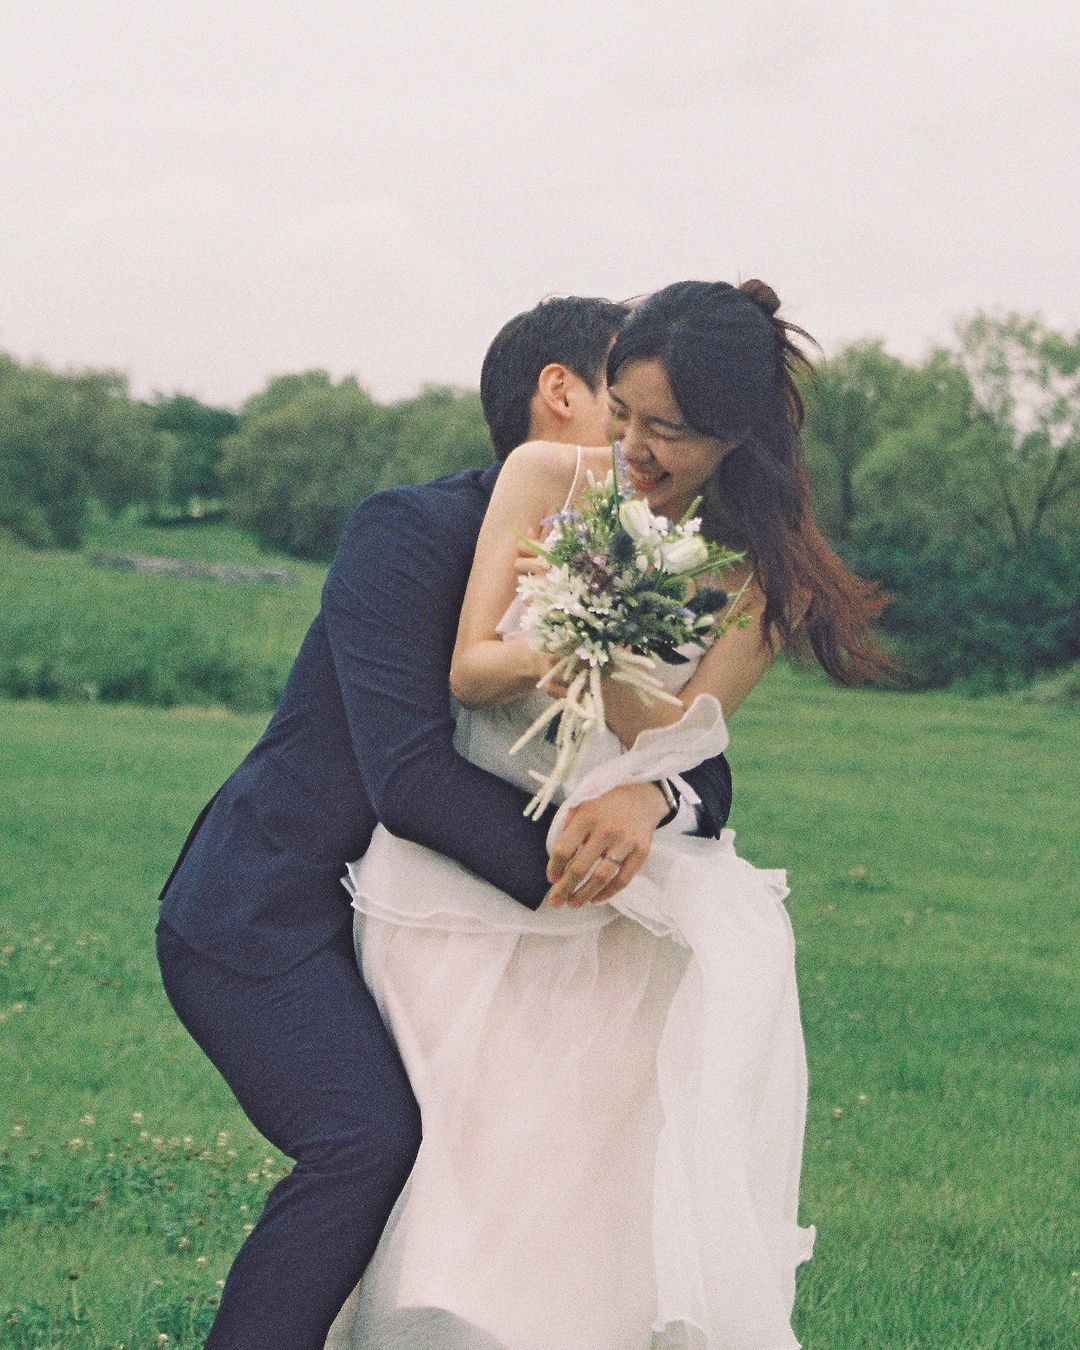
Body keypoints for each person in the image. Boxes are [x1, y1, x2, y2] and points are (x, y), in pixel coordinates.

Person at [155, 294, 734, 1349]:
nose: (646, 437)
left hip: (457, 943)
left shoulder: (642, 554)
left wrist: (647, 801)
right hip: (268, 913)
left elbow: (698, 753)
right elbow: (409, 778)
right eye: (625, 402)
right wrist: (603, 881)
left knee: (509, 1175)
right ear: (561, 392)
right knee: (365, 1142)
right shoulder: (410, 531)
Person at [328, 280, 890, 1349]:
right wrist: (562, 637)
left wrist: (609, 649)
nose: (635, 448)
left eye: (667, 430)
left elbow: (682, 739)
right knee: (461, 1201)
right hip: (459, 891)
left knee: (586, 1214)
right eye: (623, 412)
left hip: (610, 888)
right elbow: (472, 670)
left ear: (733, 434)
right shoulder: (546, 475)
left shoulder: (766, 577)